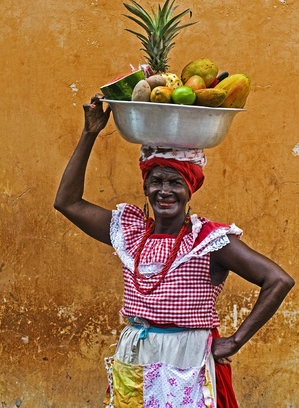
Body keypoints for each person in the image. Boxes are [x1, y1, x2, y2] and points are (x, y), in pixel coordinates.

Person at [54, 94, 294, 407]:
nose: (164, 191)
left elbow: (278, 280)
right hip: (136, 353)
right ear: (145, 186)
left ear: (189, 189)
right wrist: (90, 133)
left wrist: (234, 341)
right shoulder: (130, 232)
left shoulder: (208, 240)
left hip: (189, 357)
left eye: (175, 182)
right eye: (156, 180)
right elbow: (67, 202)